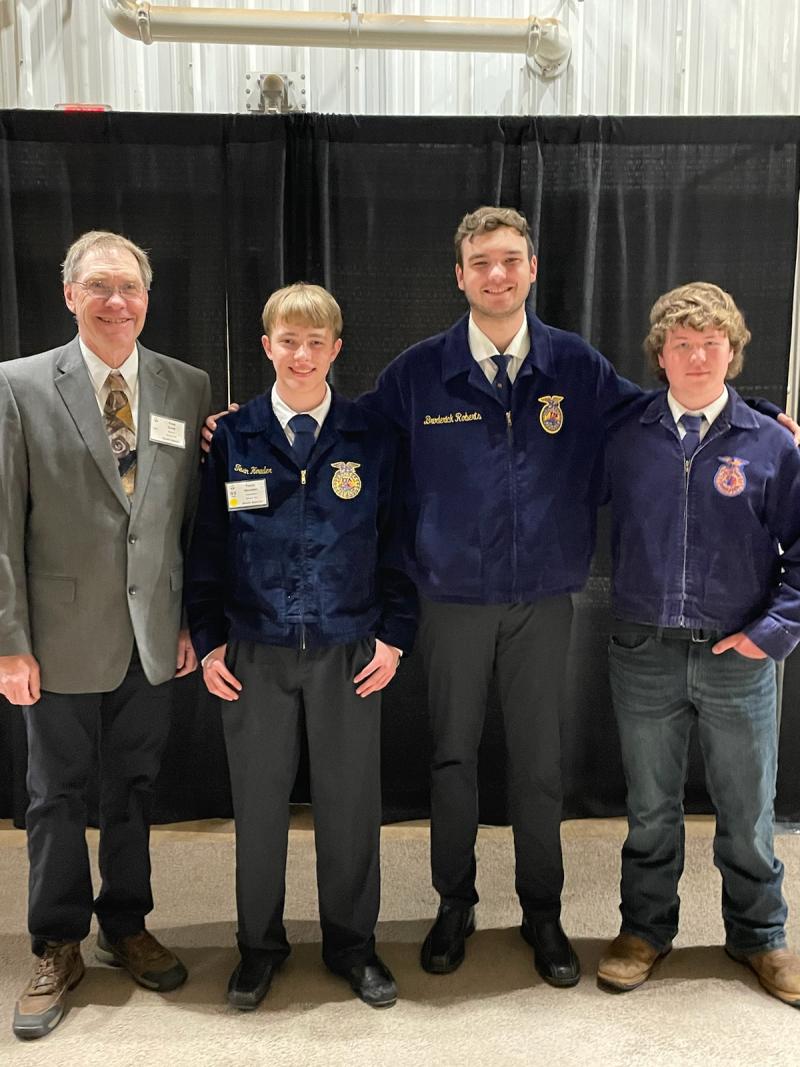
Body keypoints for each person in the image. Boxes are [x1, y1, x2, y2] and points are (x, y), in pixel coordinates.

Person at [0, 231, 211, 1040]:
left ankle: (125, 924)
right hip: (52, 639)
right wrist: (9, 638)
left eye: (128, 286)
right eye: (98, 286)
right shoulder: (19, 387)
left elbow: (187, 520)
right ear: (69, 295)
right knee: (55, 797)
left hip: (153, 634)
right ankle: (57, 941)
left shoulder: (184, 385)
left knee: (135, 789)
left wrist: (190, 617)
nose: (115, 300)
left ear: (148, 297)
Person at [186, 283, 416, 1011]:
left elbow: (398, 544)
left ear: (337, 349)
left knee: (351, 803)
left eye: (317, 341)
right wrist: (210, 641)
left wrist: (396, 637)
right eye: (289, 340)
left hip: (349, 646)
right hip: (255, 646)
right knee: (257, 806)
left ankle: (353, 943)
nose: (302, 354)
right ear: (267, 346)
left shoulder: (371, 436)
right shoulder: (233, 436)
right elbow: (208, 548)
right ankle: (259, 947)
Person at [596, 282, 800, 1007]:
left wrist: (770, 635)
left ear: (734, 351)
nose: (697, 354)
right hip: (643, 651)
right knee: (651, 809)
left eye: (711, 341)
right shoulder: (626, 435)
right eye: (681, 343)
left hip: (737, 658)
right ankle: (644, 929)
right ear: (660, 356)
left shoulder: (771, 443)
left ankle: (760, 936)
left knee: (748, 813)